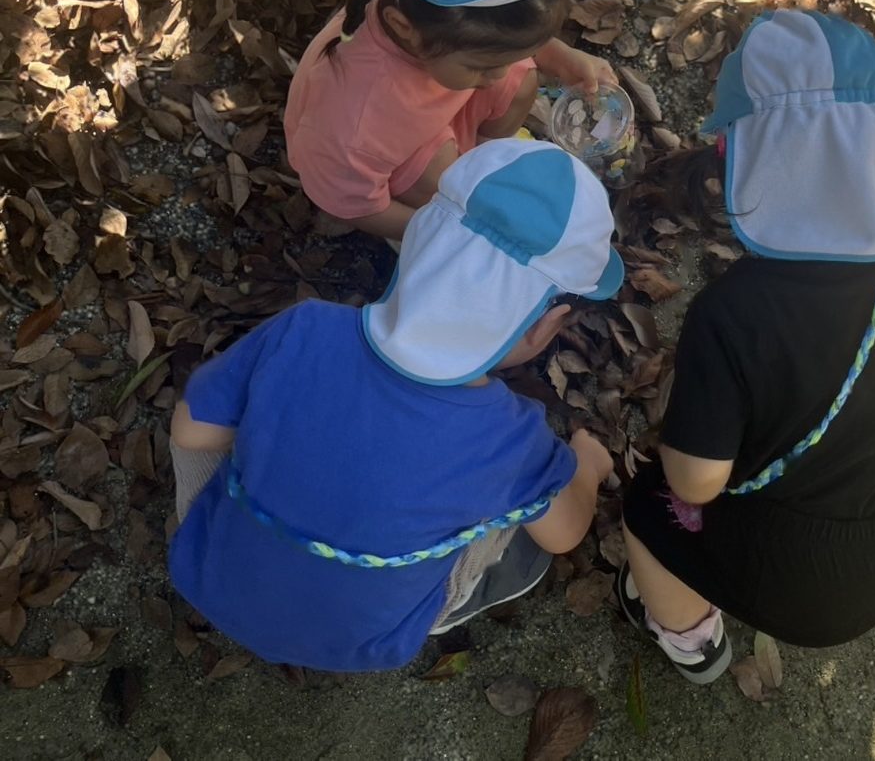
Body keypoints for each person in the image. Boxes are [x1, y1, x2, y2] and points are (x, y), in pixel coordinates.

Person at [167, 138, 622, 671]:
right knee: (521, 545)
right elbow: (564, 535)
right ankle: (448, 603)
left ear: (419, 241)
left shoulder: (305, 327)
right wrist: (587, 466)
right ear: (545, 325)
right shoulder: (510, 437)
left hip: (206, 573)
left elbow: (191, 430)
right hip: (360, 643)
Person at [618, 9, 875, 684]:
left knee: (647, 506)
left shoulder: (731, 315)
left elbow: (695, 481)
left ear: (742, 162)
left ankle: (691, 640)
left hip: (811, 586)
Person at [285, 0, 616, 242]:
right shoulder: (355, 123)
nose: (496, 74)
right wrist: (443, 232)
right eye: (483, 64)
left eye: (512, 52)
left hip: (435, 102)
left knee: (520, 80)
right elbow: (353, 205)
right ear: (404, 28)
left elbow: (498, 44)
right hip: (399, 147)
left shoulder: (424, 12)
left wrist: (558, 57)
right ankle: (453, 195)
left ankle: (481, 160)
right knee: (443, 179)